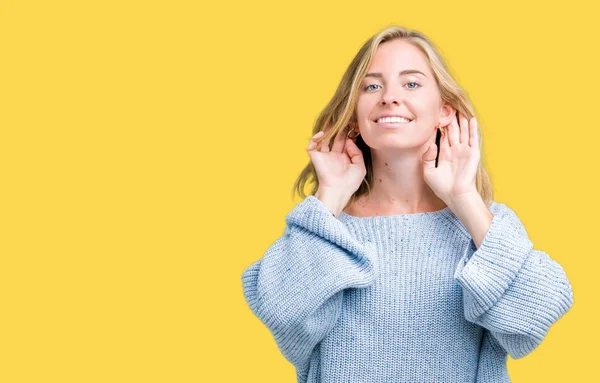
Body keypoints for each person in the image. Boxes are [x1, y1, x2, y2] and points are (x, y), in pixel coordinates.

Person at [241, 25, 574, 383]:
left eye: (411, 83)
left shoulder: (482, 229)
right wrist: (330, 198)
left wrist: (464, 198)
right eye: (372, 86)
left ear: (445, 111)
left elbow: (536, 317)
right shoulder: (327, 232)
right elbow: (280, 313)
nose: (389, 97)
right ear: (354, 116)